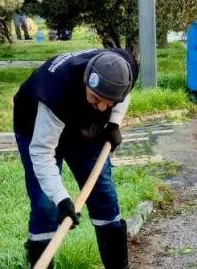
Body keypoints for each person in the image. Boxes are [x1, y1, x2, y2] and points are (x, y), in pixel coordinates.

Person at [14, 48, 138, 269]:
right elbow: (42, 152)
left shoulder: (124, 68)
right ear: (86, 79)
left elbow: (123, 95)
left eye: (108, 103)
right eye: (97, 98)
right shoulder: (57, 89)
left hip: (82, 127)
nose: (102, 107)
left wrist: (114, 122)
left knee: (103, 193)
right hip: (36, 126)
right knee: (46, 205)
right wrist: (61, 198)